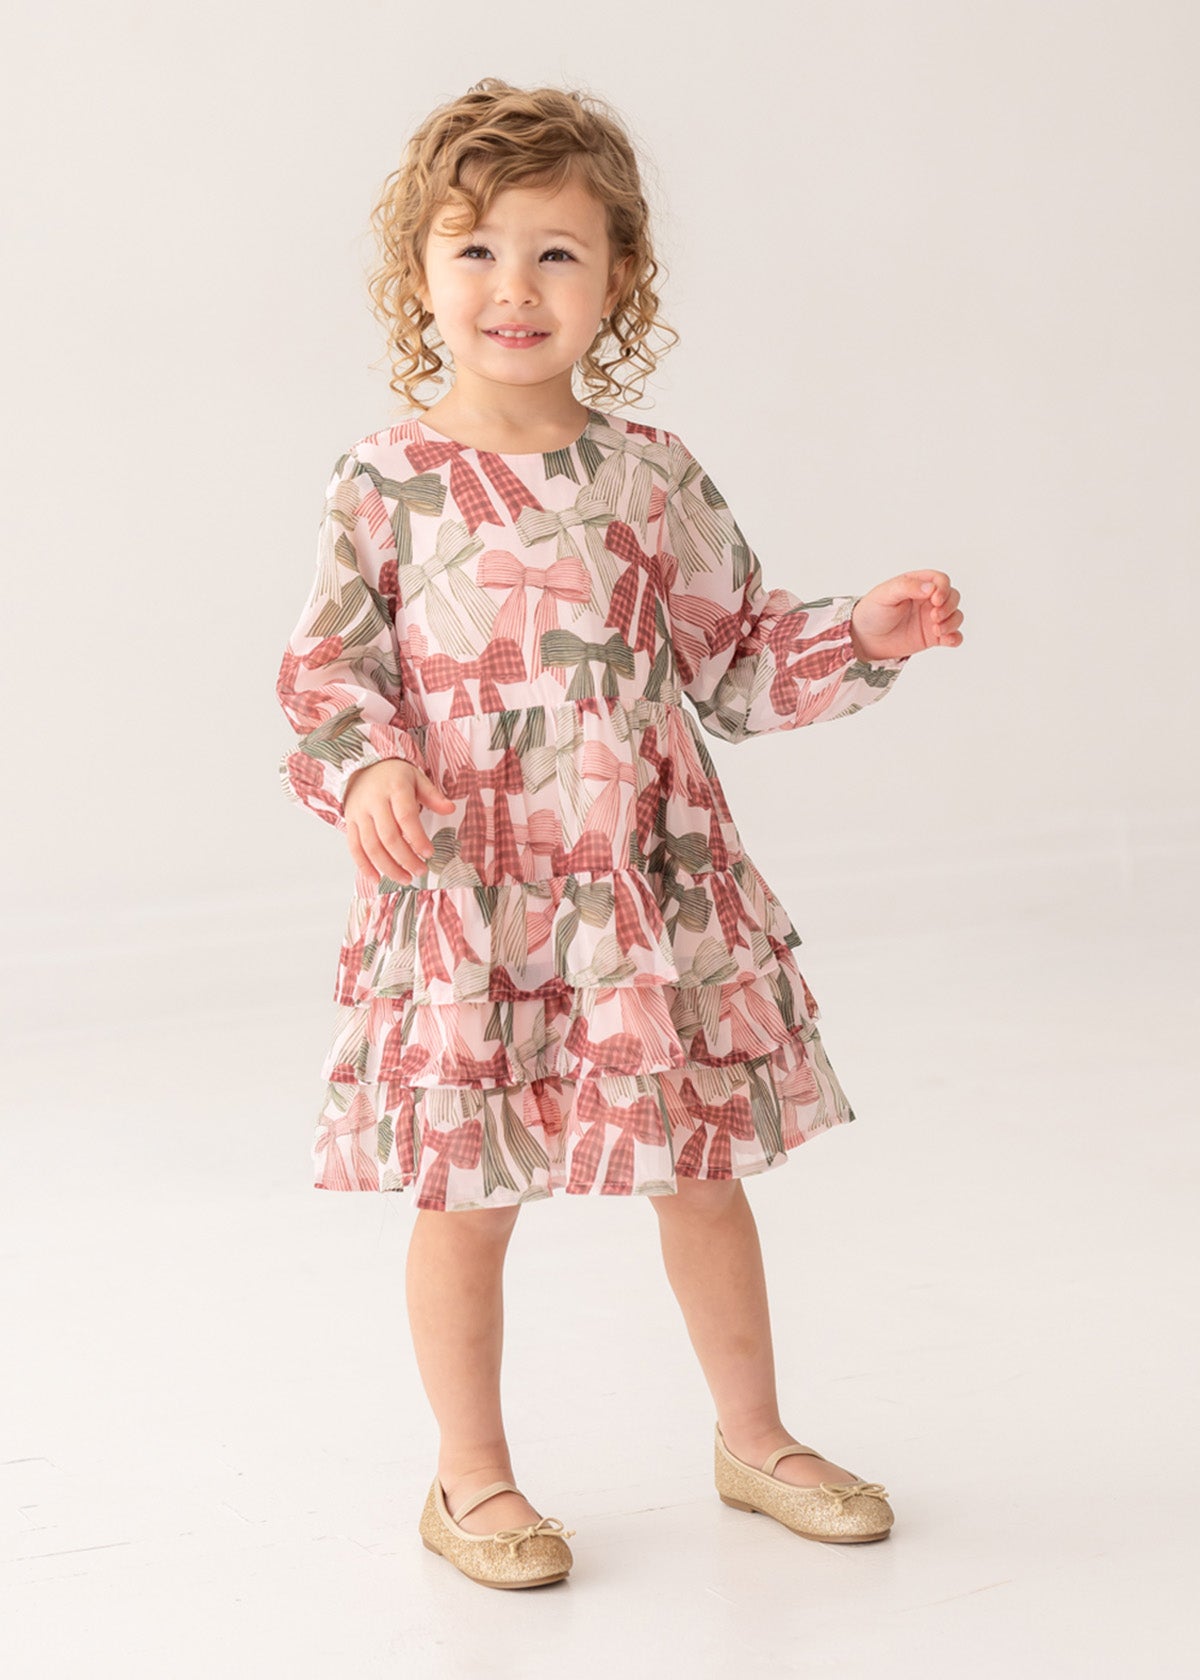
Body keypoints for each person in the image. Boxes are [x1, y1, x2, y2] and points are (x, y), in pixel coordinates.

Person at [275, 78, 964, 1590]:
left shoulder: (652, 477)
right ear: (419, 279)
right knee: (466, 1196)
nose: (514, 288)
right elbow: (333, 673)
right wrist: (370, 773)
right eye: (476, 252)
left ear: (619, 282)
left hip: (641, 890)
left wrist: (862, 631)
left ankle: (756, 1436)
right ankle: (470, 1479)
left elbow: (732, 661)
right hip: (473, 900)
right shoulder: (384, 482)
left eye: (557, 254)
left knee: (699, 1170)